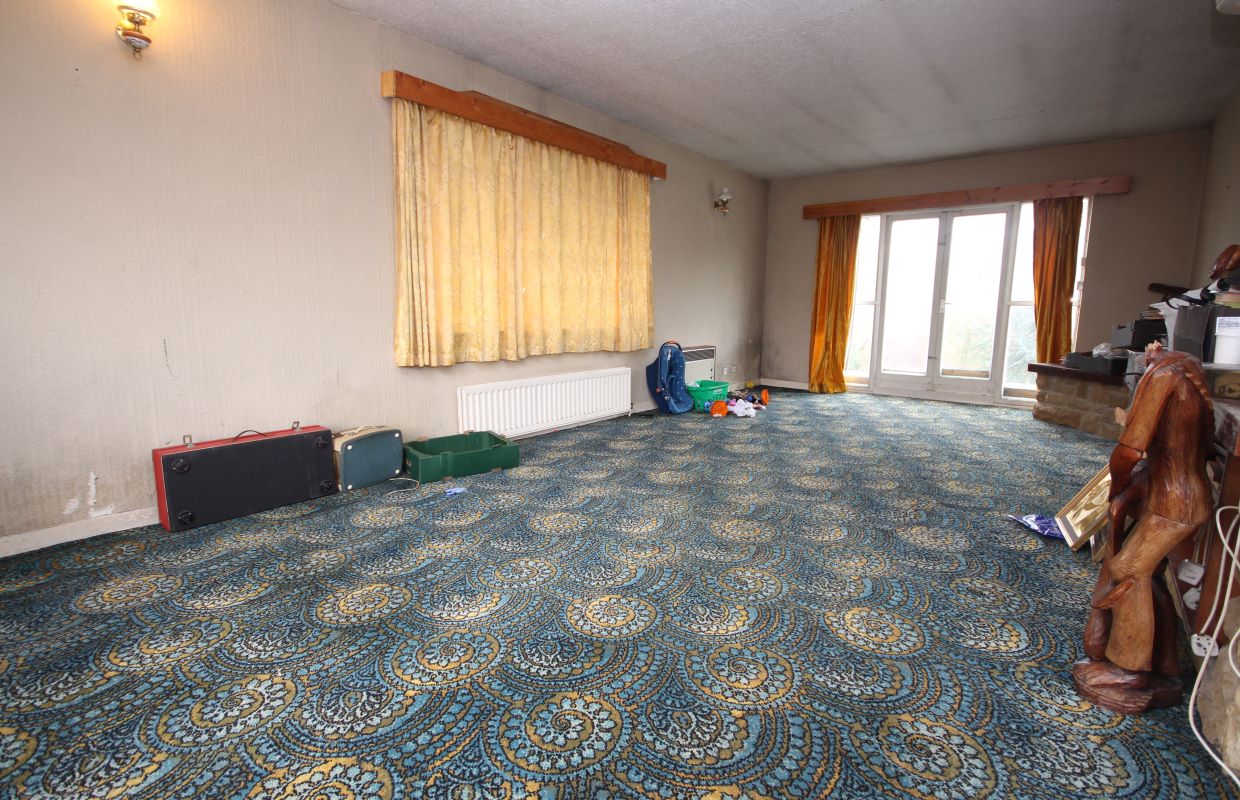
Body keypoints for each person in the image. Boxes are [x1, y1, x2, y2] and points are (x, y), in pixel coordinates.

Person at [1073, 342, 1214, 713]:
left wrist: (1117, 486)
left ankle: (1129, 669)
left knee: (1128, 571)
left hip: (1173, 503)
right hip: (1181, 495)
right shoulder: (1186, 370)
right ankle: (1165, 663)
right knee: (1149, 574)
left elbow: (1130, 449)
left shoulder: (1162, 377)